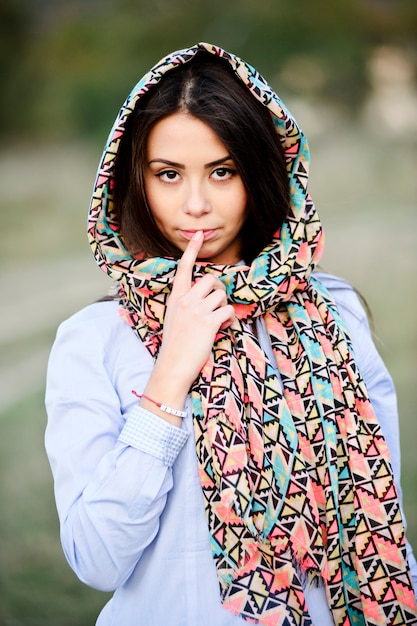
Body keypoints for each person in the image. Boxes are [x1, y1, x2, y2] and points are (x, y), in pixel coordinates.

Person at [45, 42, 417, 626]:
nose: (196, 205)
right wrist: (170, 373)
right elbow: (97, 559)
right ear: (132, 184)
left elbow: (383, 517)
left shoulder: (335, 313)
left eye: (223, 171)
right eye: (168, 175)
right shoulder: (95, 339)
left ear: (263, 172)